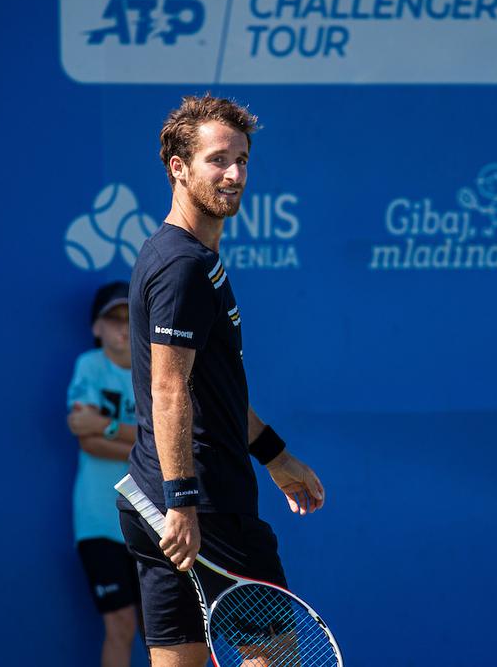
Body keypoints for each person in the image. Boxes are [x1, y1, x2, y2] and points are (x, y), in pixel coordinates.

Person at [119, 95, 327, 667]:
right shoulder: (183, 265)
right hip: (202, 506)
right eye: (217, 160)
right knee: (276, 657)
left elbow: (215, 392)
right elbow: (169, 389)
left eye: (242, 159)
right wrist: (185, 503)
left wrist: (274, 455)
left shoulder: (179, 255)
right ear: (178, 168)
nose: (234, 174)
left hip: (153, 502)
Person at [66, 281, 141, 667]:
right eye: (113, 318)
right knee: (121, 625)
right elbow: (86, 440)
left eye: (131, 318)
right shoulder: (89, 366)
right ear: (96, 328)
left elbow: (166, 445)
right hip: (98, 523)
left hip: (155, 525)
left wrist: (106, 426)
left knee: (167, 634)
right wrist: (143, 448)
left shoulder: (156, 373)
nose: (122, 327)